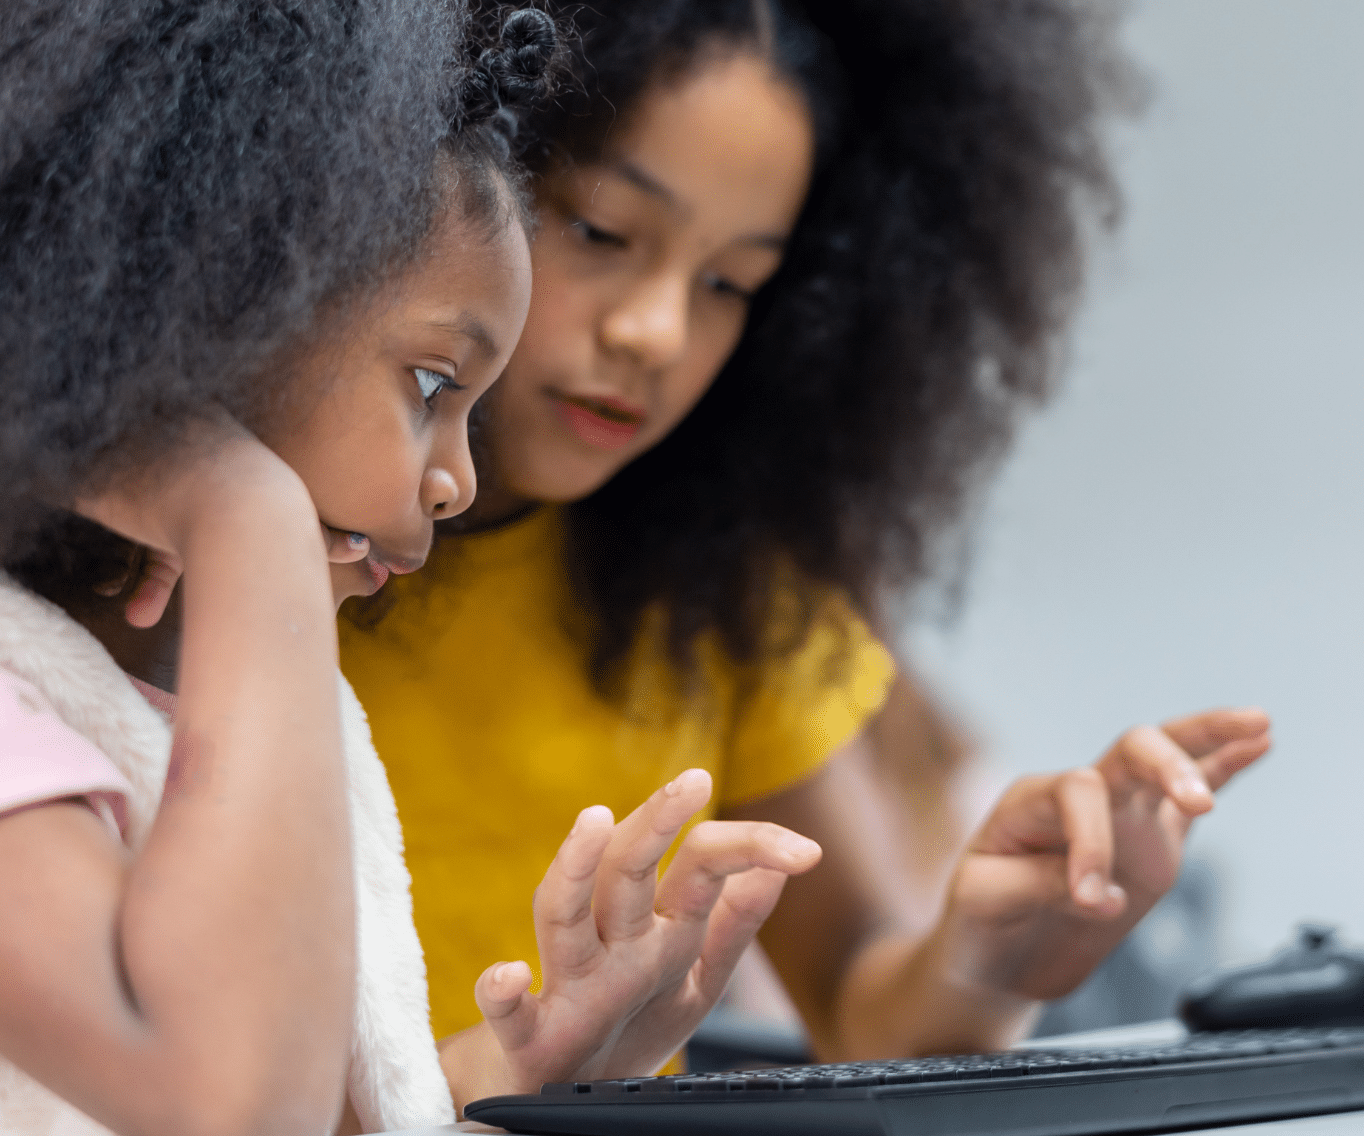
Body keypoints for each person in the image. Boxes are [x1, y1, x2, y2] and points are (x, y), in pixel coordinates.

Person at [339, 0, 1273, 1067]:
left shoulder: (723, 589)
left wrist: (995, 956)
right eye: (600, 231)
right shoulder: (233, 556)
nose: (654, 331)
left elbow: (865, 1013)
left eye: (728, 283)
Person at [0, 3, 821, 1133]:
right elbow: (230, 1104)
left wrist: (518, 1070)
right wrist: (246, 509)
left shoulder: (261, 721)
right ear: (209, 317)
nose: (460, 483)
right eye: (434, 385)